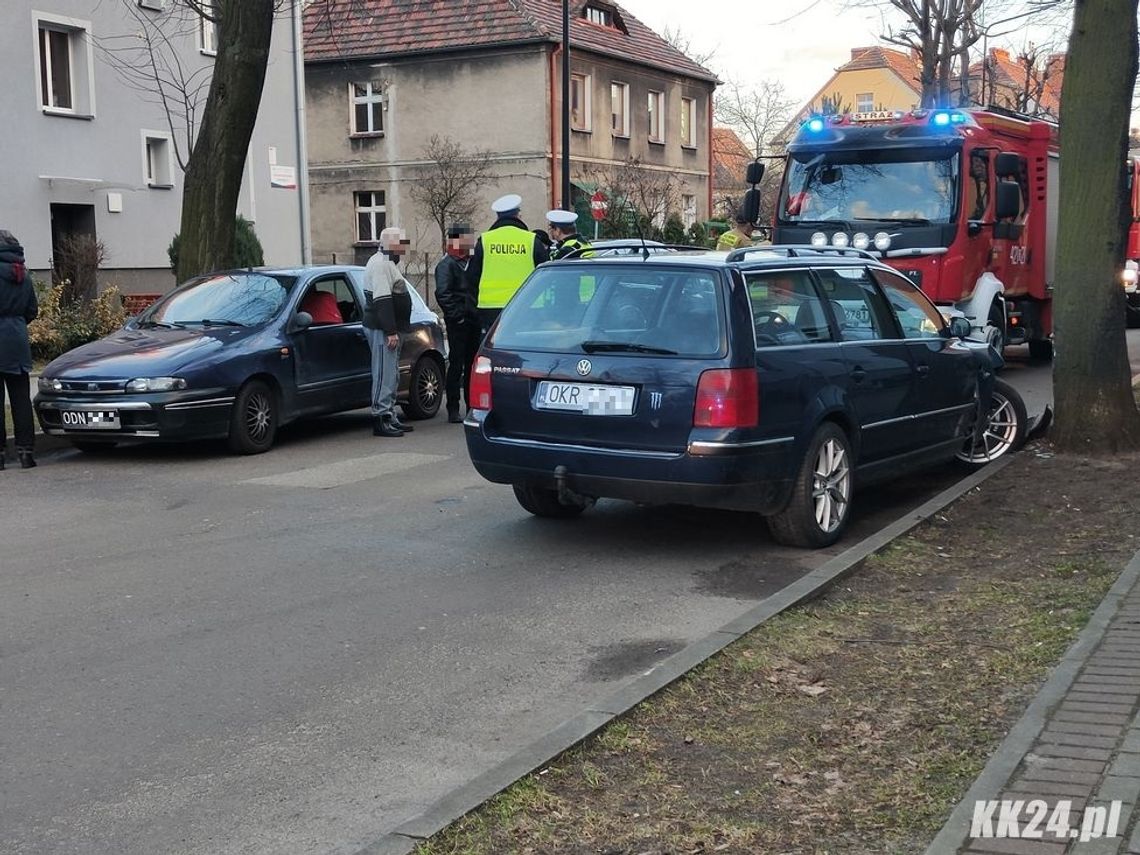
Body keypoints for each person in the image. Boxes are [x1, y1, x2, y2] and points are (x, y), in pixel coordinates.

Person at [468, 193, 549, 334]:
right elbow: (546, 274)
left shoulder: (485, 240)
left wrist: (474, 308)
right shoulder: (531, 240)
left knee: (495, 348)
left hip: (490, 308)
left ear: (498, 217)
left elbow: (473, 276)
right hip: (527, 307)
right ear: (518, 216)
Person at [363, 226, 414, 438]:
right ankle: (380, 416)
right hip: (382, 329)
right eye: (401, 243)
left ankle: (389, 414)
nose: (403, 248)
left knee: (391, 373)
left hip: (387, 328)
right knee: (384, 373)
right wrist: (391, 331)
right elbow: (383, 300)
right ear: (391, 244)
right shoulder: (381, 265)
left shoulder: (387, 263)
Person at [434, 223, 480, 423]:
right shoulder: (446, 265)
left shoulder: (473, 262)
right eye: (466, 239)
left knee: (473, 365)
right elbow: (443, 294)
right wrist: (457, 316)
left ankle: (472, 406)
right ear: (456, 240)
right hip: (458, 323)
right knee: (456, 364)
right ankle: (453, 407)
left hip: (474, 320)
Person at [0, 230, 38, 470]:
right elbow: (32, 310)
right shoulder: (24, 276)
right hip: (18, 340)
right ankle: (26, 453)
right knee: (21, 399)